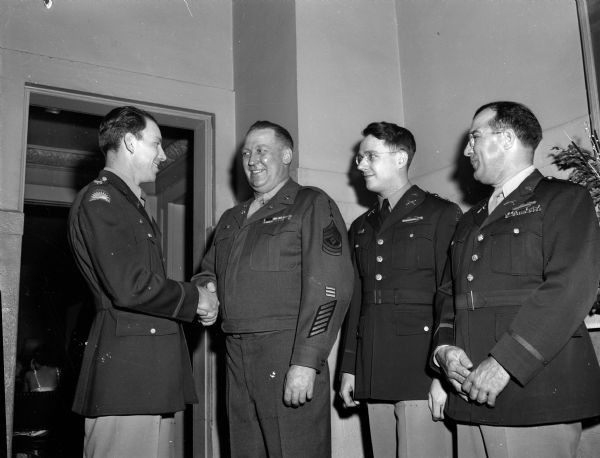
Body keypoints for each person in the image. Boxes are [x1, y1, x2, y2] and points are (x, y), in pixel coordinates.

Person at [432, 101, 600, 458]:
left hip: (532, 391)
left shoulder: (563, 199)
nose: (466, 150)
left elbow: (570, 288)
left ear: (507, 138)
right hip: (468, 394)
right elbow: (449, 294)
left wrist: (506, 362)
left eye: (475, 137)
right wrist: (444, 350)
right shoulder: (469, 219)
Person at [193, 120, 353, 457]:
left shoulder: (311, 204)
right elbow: (208, 272)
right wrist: (207, 291)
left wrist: (307, 362)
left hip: (287, 351)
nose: (252, 160)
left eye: (261, 151)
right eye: (247, 153)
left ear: (287, 155)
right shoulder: (230, 219)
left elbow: (331, 287)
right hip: (236, 354)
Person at [68, 105, 218, 457]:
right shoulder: (101, 200)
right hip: (128, 377)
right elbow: (131, 286)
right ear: (131, 143)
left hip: (144, 373)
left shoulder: (127, 203)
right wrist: (196, 298)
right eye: (157, 144)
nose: (164, 155)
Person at [338, 122, 461, 458]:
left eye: (369, 156)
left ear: (400, 158)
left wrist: (444, 377)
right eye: (360, 158)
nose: (359, 165)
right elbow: (357, 302)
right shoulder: (361, 227)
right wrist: (350, 369)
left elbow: (451, 295)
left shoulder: (440, 213)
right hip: (374, 366)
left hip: (422, 367)